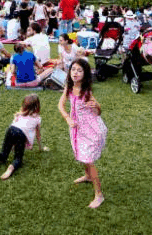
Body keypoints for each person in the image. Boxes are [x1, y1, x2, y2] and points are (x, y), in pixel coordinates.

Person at [57, 58, 107, 209]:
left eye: (79, 70)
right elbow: (60, 105)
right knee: (81, 154)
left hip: (91, 130)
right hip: (77, 128)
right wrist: (67, 118)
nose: (75, 73)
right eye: (73, 69)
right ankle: (87, 176)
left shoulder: (86, 91)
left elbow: (98, 112)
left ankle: (99, 195)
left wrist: (97, 106)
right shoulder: (69, 87)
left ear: (85, 74)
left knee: (88, 158)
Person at [0, 93, 48, 179]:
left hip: (11, 129)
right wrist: (41, 148)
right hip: (20, 134)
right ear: (37, 106)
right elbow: (38, 136)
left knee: (3, 155)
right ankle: (11, 167)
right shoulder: (37, 118)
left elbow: (15, 125)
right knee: (18, 159)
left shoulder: (20, 114)